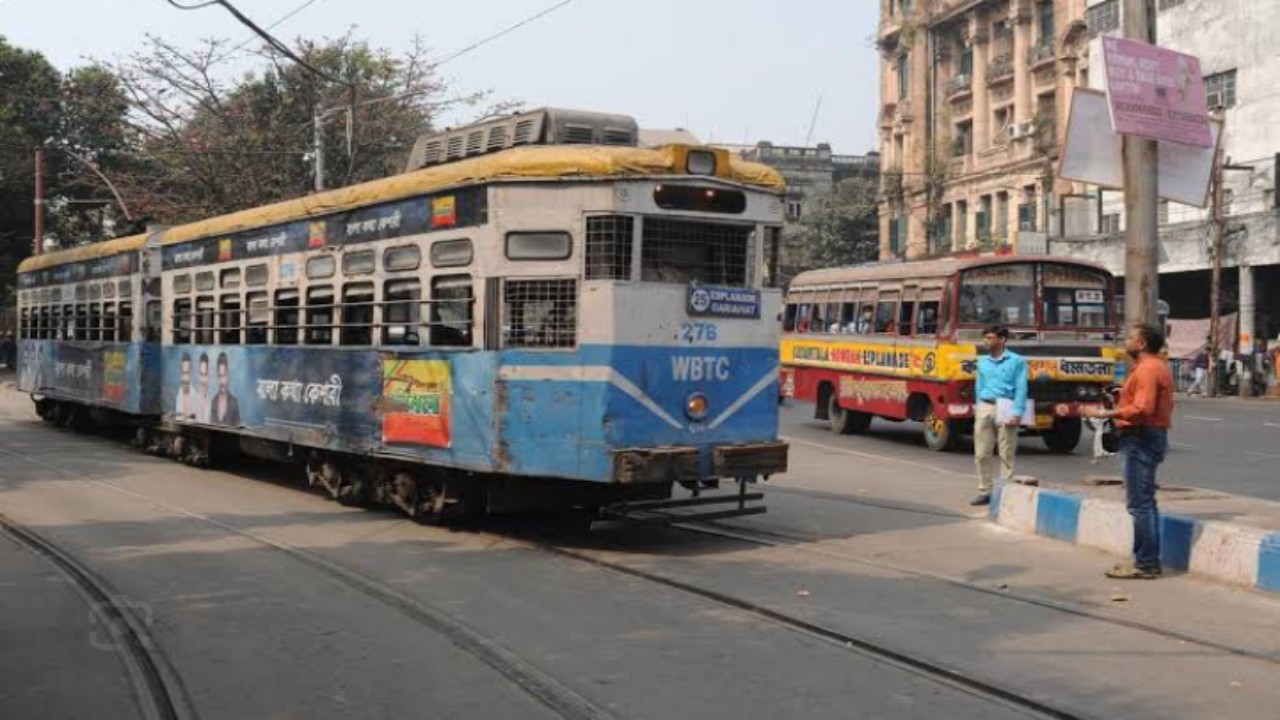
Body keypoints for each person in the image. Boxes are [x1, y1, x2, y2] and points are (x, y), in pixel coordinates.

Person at [1083, 324, 1175, 580]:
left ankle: (1145, 564)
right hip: (1148, 435)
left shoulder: (1148, 369)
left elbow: (1143, 408)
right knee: (1145, 502)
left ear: (1142, 344)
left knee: (1139, 504)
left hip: (1140, 437)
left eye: (1131, 338)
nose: (1127, 342)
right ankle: (1146, 560)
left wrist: (1104, 413)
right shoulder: (1156, 367)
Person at [970, 325, 1028, 506]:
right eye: (985, 338)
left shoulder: (1017, 361)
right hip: (985, 406)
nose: (985, 341)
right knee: (981, 453)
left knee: (1006, 452)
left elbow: (1021, 387)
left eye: (989, 338)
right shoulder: (982, 362)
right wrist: (978, 406)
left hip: (1007, 405)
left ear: (1002, 340)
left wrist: (1018, 412)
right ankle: (985, 490)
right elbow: (979, 385)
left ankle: (1005, 490)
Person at [209, 352, 240, 426]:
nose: (222, 381)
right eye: (220, 376)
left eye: (224, 376)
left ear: (228, 376)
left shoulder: (234, 402)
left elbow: (239, 430)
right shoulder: (213, 402)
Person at [175, 354, 196, 419]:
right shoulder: (178, 395)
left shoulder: (195, 396)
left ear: (191, 373)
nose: (185, 377)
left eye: (187, 373)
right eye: (183, 373)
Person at [194, 353, 212, 423]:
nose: (203, 380)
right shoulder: (193, 399)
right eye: (201, 374)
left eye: (205, 374)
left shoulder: (211, 401)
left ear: (209, 376)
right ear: (198, 375)